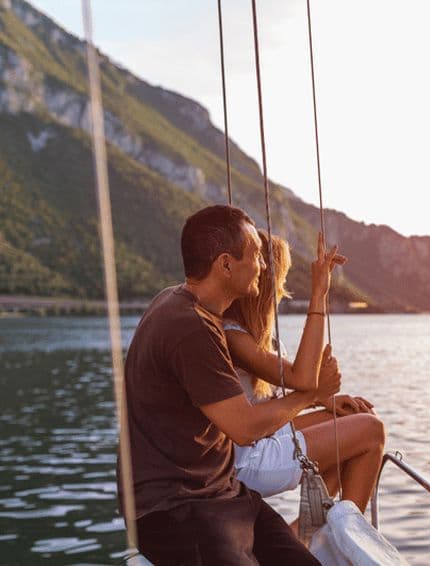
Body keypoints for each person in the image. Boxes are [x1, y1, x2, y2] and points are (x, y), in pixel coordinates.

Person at [119, 205, 338, 565]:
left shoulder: (181, 305)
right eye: (256, 256)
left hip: (221, 493)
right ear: (225, 264)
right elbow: (244, 428)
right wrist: (313, 395)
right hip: (174, 508)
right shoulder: (189, 326)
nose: (263, 267)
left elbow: (293, 382)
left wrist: (319, 294)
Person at [223, 231, 385, 513]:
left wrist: (322, 400)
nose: (283, 290)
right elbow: (303, 378)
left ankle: (313, 527)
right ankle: (341, 529)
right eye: (282, 279)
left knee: (356, 416)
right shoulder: (234, 336)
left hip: (260, 439)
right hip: (247, 461)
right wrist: (319, 293)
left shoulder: (254, 337)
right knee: (372, 431)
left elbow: (277, 399)